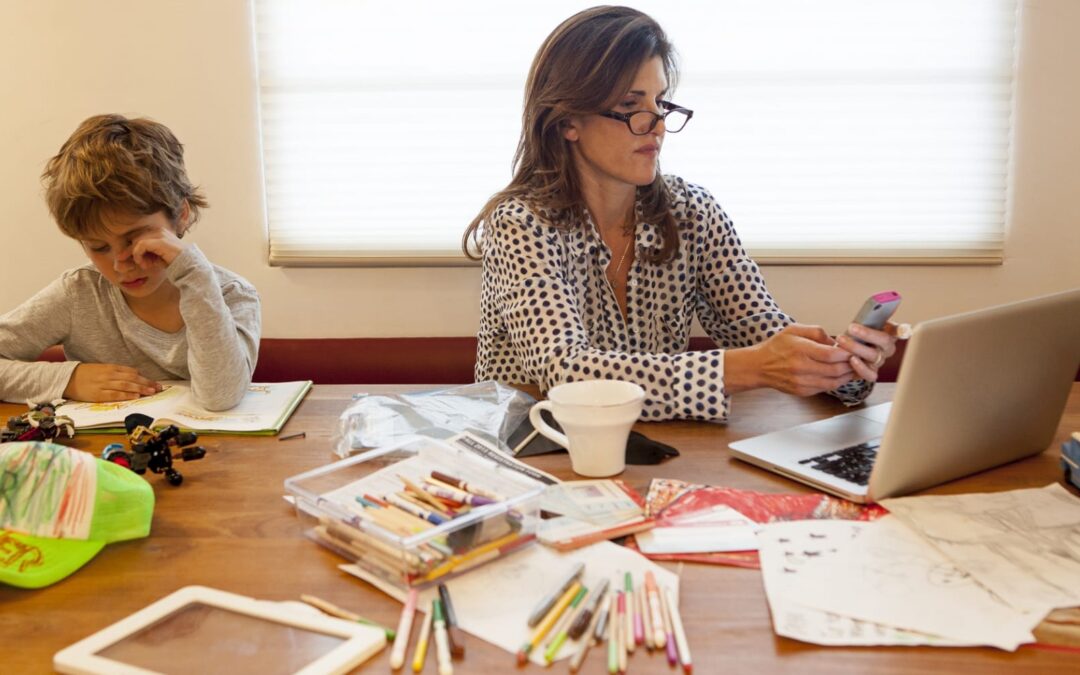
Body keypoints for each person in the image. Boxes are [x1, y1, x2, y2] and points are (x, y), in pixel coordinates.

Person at [464, 6, 898, 422]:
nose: (656, 124)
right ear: (567, 122)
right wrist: (749, 368)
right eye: (633, 106)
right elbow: (568, 375)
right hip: (534, 458)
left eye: (660, 103)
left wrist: (841, 365)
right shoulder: (519, 223)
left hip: (661, 453)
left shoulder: (693, 212)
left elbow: (763, 333)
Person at [0, 114, 260, 410]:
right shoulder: (80, 293)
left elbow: (220, 396)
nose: (121, 265)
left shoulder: (233, 294)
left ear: (181, 215)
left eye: (135, 240)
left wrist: (194, 274)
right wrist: (69, 379)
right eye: (98, 247)